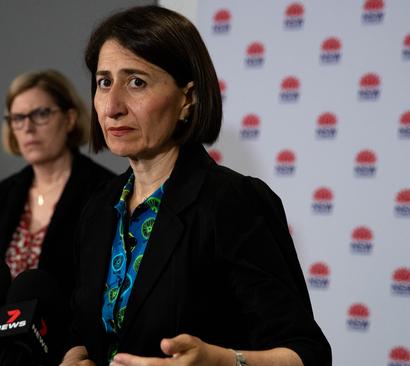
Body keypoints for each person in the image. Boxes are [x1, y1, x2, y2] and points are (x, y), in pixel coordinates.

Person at [62, 6, 331, 366]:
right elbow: (82, 331)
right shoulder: (98, 206)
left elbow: (306, 354)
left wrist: (221, 361)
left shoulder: (234, 202)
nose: (112, 106)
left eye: (136, 82)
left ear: (187, 99)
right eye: (104, 82)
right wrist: (71, 357)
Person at [0, 69, 114, 363]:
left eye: (40, 114)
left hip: (65, 353)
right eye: (17, 118)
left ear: (70, 118)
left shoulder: (103, 191)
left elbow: (99, 294)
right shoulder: (3, 195)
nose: (28, 128)